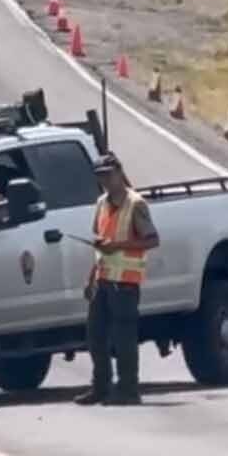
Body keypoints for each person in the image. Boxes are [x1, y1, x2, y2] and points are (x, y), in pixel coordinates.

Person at [76, 153, 160, 406]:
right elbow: (101, 243)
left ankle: (128, 389)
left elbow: (152, 239)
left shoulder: (136, 204)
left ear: (119, 172)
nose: (105, 181)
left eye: (108, 175)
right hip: (103, 280)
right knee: (95, 335)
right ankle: (100, 387)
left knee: (123, 338)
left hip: (125, 283)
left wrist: (118, 245)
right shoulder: (101, 203)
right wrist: (91, 278)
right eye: (100, 177)